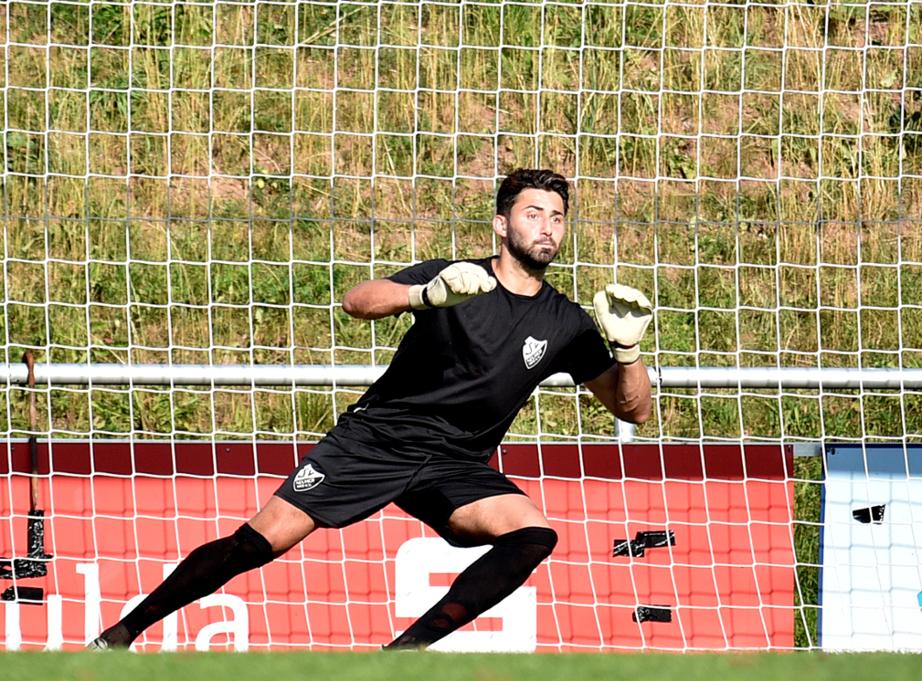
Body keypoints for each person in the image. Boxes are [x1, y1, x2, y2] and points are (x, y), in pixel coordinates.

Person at [90, 168, 656, 650]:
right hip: (376, 440)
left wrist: (628, 352)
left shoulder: (566, 322)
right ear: (501, 224)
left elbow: (633, 410)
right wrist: (424, 296)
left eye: (557, 217)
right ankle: (119, 635)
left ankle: (402, 654)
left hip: (455, 464)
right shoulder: (457, 279)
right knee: (258, 543)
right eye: (533, 214)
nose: (547, 227)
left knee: (533, 533)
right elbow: (357, 301)